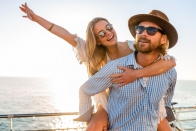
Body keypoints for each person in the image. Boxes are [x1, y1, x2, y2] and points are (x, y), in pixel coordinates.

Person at [20, 3, 176, 131]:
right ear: (97, 40)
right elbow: (64, 33)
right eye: (101, 34)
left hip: (139, 98)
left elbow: (169, 63)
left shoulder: (134, 46)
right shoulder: (95, 55)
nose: (108, 33)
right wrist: (36, 18)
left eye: (109, 27)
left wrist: (136, 74)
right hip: (107, 100)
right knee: (94, 127)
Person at [76, 10, 178, 131]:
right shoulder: (116, 68)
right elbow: (85, 90)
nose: (144, 33)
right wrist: (90, 119)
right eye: (140, 29)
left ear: (163, 39)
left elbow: (165, 104)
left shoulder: (170, 73)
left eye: (152, 31)